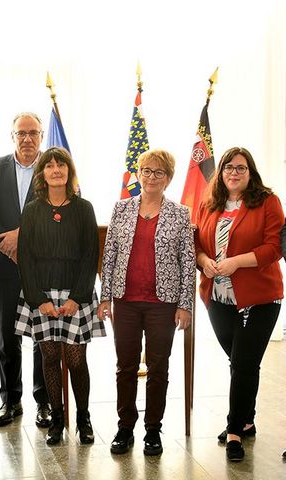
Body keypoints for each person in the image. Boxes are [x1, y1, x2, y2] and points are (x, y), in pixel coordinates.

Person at [98, 149, 195, 456]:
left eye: (159, 172)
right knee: (125, 366)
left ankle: (153, 429)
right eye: (147, 171)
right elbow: (109, 255)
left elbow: (187, 260)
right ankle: (125, 427)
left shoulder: (180, 214)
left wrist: (185, 305)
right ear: (137, 174)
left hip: (162, 303)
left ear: (168, 178)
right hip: (125, 301)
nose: (152, 177)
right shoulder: (121, 209)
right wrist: (105, 298)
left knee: (158, 368)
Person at [195, 146, 283, 462]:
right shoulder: (210, 204)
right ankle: (247, 418)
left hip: (261, 296)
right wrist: (205, 260)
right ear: (221, 172)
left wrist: (236, 263)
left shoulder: (268, 202)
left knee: (244, 362)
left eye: (241, 167)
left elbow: (274, 247)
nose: (234, 172)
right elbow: (197, 245)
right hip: (218, 298)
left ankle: (235, 432)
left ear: (251, 172)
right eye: (228, 167)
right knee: (240, 360)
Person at [15, 147, 106, 445]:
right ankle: (57, 417)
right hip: (40, 293)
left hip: (75, 294)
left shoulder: (83, 209)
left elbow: (90, 255)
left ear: (69, 171)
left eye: (61, 165)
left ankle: (83, 416)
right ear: (42, 173)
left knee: (77, 360)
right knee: (50, 356)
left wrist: (75, 298)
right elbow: (25, 257)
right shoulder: (31, 210)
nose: (56, 170)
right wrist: (37, 298)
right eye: (50, 166)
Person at [0, 112, 51, 428]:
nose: (27, 139)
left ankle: (44, 403)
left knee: (42, 335)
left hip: (43, 266)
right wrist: (5, 242)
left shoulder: (55, 167)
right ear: (12, 136)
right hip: (3, 263)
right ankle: (10, 401)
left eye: (32, 133)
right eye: (21, 133)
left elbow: (60, 211)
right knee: (8, 336)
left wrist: (24, 235)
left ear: (41, 136)